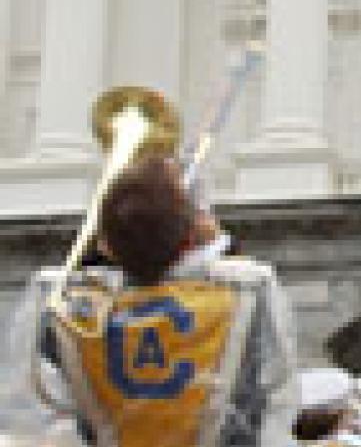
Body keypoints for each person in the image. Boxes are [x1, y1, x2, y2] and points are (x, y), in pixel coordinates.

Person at [1, 156, 296, 447]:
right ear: (190, 238)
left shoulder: (61, 301)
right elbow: (272, 409)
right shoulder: (245, 290)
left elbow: (34, 422)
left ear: (107, 243)